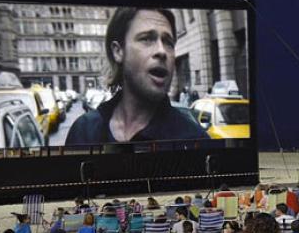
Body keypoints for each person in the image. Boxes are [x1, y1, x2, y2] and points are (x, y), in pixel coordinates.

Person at [65, 8, 209, 144]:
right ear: (118, 51)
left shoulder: (194, 140)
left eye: (168, 42)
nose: (162, 51)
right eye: (147, 39)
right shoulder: (83, 132)